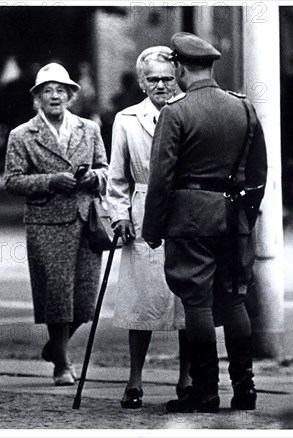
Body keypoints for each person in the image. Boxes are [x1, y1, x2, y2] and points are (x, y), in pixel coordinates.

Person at [142, 32, 267, 413]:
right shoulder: (243, 108)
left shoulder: (175, 112)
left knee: (197, 304)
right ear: (211, 66)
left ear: (179, 67)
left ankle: (205, 391)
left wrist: (152, 227)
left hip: (191, 218)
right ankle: (245, 390)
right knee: (233, 300)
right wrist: (246, 214)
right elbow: (259, 172)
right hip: (234, 217)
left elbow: (161, 177)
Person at [4, 63, 108, 386]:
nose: (54, 96)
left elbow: (107, 169)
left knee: (86, 300)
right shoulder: (22, 135)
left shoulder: (89, 130)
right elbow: (11, 180)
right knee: (57, 297)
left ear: (70, 95)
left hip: (86, 220)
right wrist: (51, 181)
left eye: (60, 90)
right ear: (37, 97)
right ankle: (62, 364)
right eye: (47, 90)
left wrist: (95, 177)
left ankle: (54, 347)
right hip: (46, 223)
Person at [106, 46, 191, 410]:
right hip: (142, 213)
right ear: (142, 82)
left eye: (167, 78)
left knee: (189, 301)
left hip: (185, 212)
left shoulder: (191, 111)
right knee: (139, 300)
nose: (160, 85)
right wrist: (119, 214)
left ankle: (186, 378)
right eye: (153, 79)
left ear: (178, 78)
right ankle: (134, 380)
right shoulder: (126, 119)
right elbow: (117, 178)